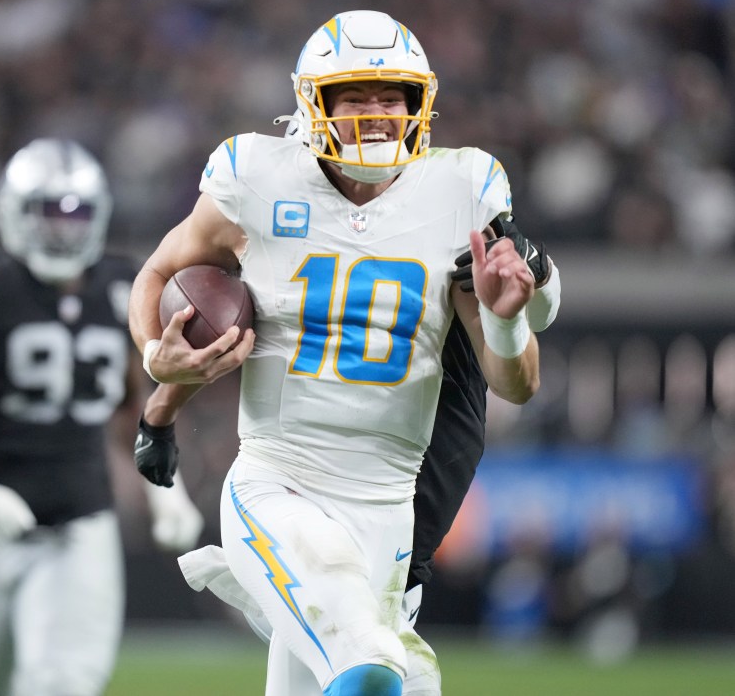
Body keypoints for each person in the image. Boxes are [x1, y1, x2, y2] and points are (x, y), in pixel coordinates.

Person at [127, 10, 542, 696]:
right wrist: (156, 360)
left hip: (388, 513)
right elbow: (156, 273)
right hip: (279, 483)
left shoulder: (459, 190)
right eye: (355, 95)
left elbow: (517, 384)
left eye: (392, 96)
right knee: (372, 668)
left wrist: (504, 322)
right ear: (314, 102)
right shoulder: (256, 178)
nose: (377, 113)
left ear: (419, 104)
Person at [138, 217, 561, 696]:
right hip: (301, 494)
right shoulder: (282, 209)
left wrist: (538, 272)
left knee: (384, 664)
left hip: (398, 547)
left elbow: (532, 327)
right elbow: (214, 328)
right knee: (367, 662)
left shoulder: (452, 203)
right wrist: (161, 405)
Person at [0, 138, 204, 696]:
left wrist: (164, 490)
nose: (63, 230)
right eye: (48, 214)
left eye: (77, 213)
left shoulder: (117, 289)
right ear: (13, 215)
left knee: (63, 683)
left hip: (77, 521)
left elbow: (128, 406)